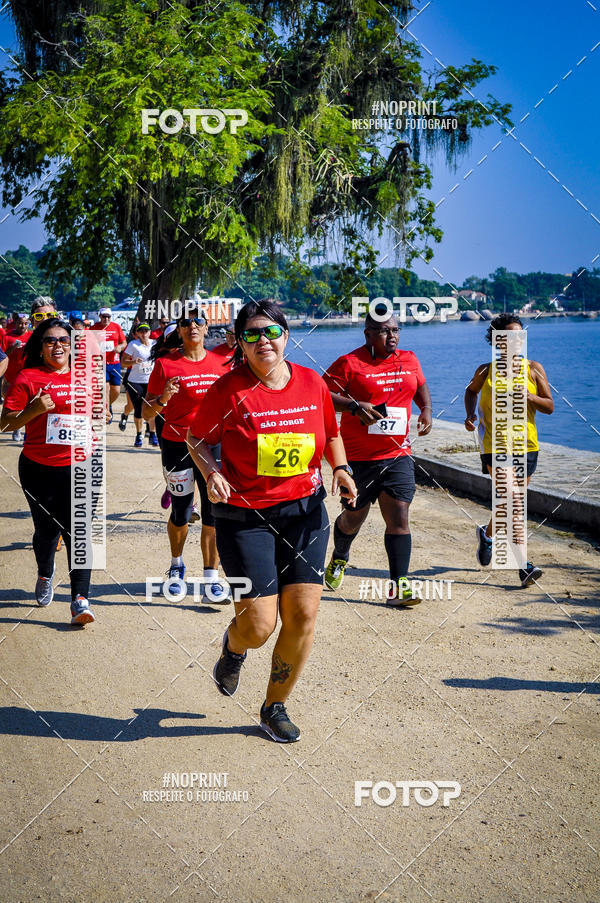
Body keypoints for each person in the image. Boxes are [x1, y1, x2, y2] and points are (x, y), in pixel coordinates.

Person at [187, 300, 357, 743]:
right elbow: (196, 438)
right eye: (251, 334)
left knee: (302, 613)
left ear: (286, 334)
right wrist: (211, 472)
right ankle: (234, 646)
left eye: (271, 332)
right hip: (244, 517)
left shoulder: (311, 382)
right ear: (239, 342)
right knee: (260, 625)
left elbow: (332, 433)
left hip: (305, 512)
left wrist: (340, 469)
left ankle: (273, 706)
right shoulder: (228, 390)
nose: (263, 340)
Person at [323, 309, 432, 606]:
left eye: (396, 330)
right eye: (385, 331)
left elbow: (419, 384)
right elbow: (320, 394)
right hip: (357, 459)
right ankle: (340, 555)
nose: (392, 335)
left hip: (397, 455)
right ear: (368, 334)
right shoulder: (350, 363)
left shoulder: (409, 359)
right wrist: (354, 406)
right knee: (352, 519)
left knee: (399, 517)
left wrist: (426, 410)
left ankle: (399, 587)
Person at [0, 317, 95, 624]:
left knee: (79, 533)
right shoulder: (29, 377)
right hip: (39, 468)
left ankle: (80, 599)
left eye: (64, 340)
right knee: (46, 532)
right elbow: (5, 422)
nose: (58, 346)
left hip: (80, 466)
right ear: (40, 347)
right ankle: (45, 572)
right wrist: (34, 410)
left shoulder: (85, 376)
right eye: (51, 340)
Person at [464, 313, 554, 587]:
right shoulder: (485, 371)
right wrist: (469, 415)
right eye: (510, 336)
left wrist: (530, 396)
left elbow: (549, 406)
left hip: (527, 446)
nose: (516, 341)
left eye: (519, 336)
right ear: (497, 340)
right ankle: (523, 565)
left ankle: (488, 535)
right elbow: (470, 391)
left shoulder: (533, 368)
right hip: (495, 445)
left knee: (509, 503)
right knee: (514, 501)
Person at [145, 309, 226, 602]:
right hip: (177, 445)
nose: (193, 326)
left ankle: (210, 579)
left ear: (207, 329)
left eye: (199, 321)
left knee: (214, 510)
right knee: (180, 511)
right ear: (179, 330)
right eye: (186, 322)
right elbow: (146, 412)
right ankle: (176, 567)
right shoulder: (165, 365)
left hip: (212, 446)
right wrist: (164, 398)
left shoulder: (222, 363)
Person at [121, 323, 158, 447]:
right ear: (137, 333)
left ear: (150, 332)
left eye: (146, 331)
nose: (143, 333)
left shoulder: (155, 344)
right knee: (138, 409)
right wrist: (133, 361)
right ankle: (139, 435)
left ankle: (152, 434)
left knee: (152, 408)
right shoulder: (133, 345)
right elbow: (123, 363)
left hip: (151, 381)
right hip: (135, 381)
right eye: (141, 331)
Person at [90, 308, 126, 422]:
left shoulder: (116, 327)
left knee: (116, 390)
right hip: (100, 363)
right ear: (99, 316)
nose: (106, 319)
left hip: (114, 363)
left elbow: (124, 342)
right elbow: (87, 342)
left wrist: (120, 347)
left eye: (108, 317)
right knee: (105, 388)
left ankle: (108, 405)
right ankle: (106, 412)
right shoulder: (94, 328)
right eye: (104, 316)